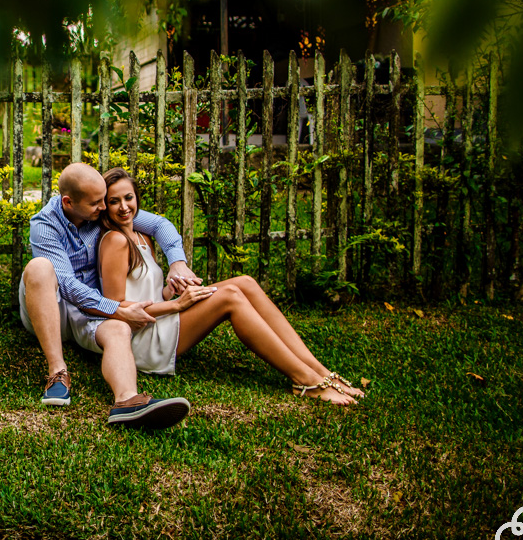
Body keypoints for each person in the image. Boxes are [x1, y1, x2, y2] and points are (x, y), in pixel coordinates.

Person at [93, 168, 366, 405]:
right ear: (105, 206)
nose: (124, 207)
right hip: (144, 340)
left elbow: (146, 292)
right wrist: (178, 304)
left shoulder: (141, 236)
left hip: (161, 316)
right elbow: (116, 306)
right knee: (231, 297)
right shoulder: (115, 241)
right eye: (114, 201)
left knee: (244, 282)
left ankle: (319, 371)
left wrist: (171, 290)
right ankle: (304, 380)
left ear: (137, 197)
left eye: (128, 198)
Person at [18, 163, 200, 430]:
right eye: (96, 203)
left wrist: (177, 262)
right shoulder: (45, 224)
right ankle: (58, 374)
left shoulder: (101, 212)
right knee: (40, 268)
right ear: (69, 202)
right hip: (50, 305)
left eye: (105, 199)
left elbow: (160, 224)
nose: (105, 207)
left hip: (88, 310)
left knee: (117, 329)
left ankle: (127, 401)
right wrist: (116, 307)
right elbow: (67, 285)